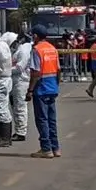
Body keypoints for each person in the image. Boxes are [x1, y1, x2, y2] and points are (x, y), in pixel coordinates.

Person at [27, 24, 61, 158]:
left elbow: (35, 73)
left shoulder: (36, 50)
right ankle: (56, 148)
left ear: (35, 36)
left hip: (41, 88)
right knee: (52, 120)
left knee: (42, 119)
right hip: (52, 87)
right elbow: (58, 70)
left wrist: (30, 90)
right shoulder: (52, 49)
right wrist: (56, 85)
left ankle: (46, 149)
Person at [6, 31, 31, 142]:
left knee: (20, 106)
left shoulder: (24, 50)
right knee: (15, 106)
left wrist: (4, 71)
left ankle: (21, 132)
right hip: (15, 80)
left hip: (21, 80)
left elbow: (20, 67)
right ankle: (18, 130)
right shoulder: (18, 50)